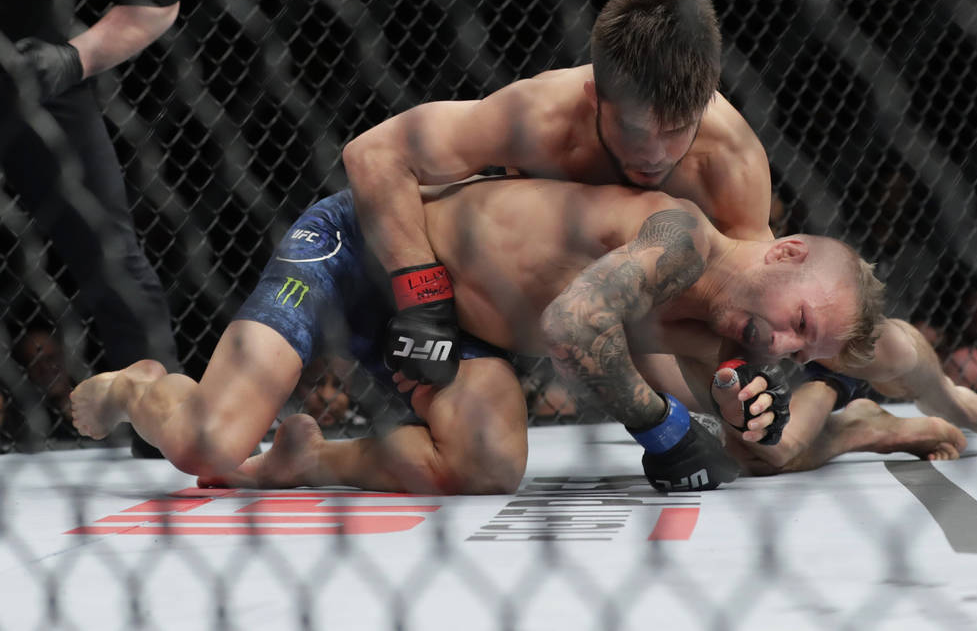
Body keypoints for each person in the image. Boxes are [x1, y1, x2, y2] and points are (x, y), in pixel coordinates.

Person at [338, 0, 977, 472]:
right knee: (760, 441)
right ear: (601, 100)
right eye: (635, 133)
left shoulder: (729, 160)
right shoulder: (543, 114)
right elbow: (383, 155)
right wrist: (417, 288)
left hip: (679, 293)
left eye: (675, 134)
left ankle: (944, 395)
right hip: (580, 287)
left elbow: (758, 292)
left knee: (813, 373)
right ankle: (858, 421)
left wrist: (742, 377)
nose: (654, 155)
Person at [69, 175, 887, 493]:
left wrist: (753, 419)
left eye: (800, 354)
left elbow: (757, 446)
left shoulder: (724, 329)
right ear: (784, 252)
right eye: (800, 325)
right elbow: (578, 324)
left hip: (458, 329)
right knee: (207, 446)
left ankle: (301, 462)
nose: (784, 349)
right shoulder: (675, 237)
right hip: (370, 253)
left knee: (492, 465)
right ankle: (141, 384)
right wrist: (671, 429)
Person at [0, 0, 182, 456]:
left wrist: (70, 60)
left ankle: (163, 429)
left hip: (39, 75)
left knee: (114, 256)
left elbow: (155, 1)